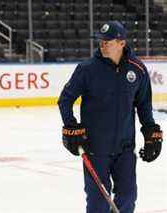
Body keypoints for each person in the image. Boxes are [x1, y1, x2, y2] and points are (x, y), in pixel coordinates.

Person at [58, 21, 163, 213]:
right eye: (100, 40)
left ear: (121, 43)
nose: (102, 44)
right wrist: (71, 126)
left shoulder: (137, 69)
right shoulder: (87, 69)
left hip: (125, 149)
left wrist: (151, 132)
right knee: (98, 204)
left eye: (107, 41)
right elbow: (65, 100)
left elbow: (144, 104)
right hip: (95, 149)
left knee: (127, 198)